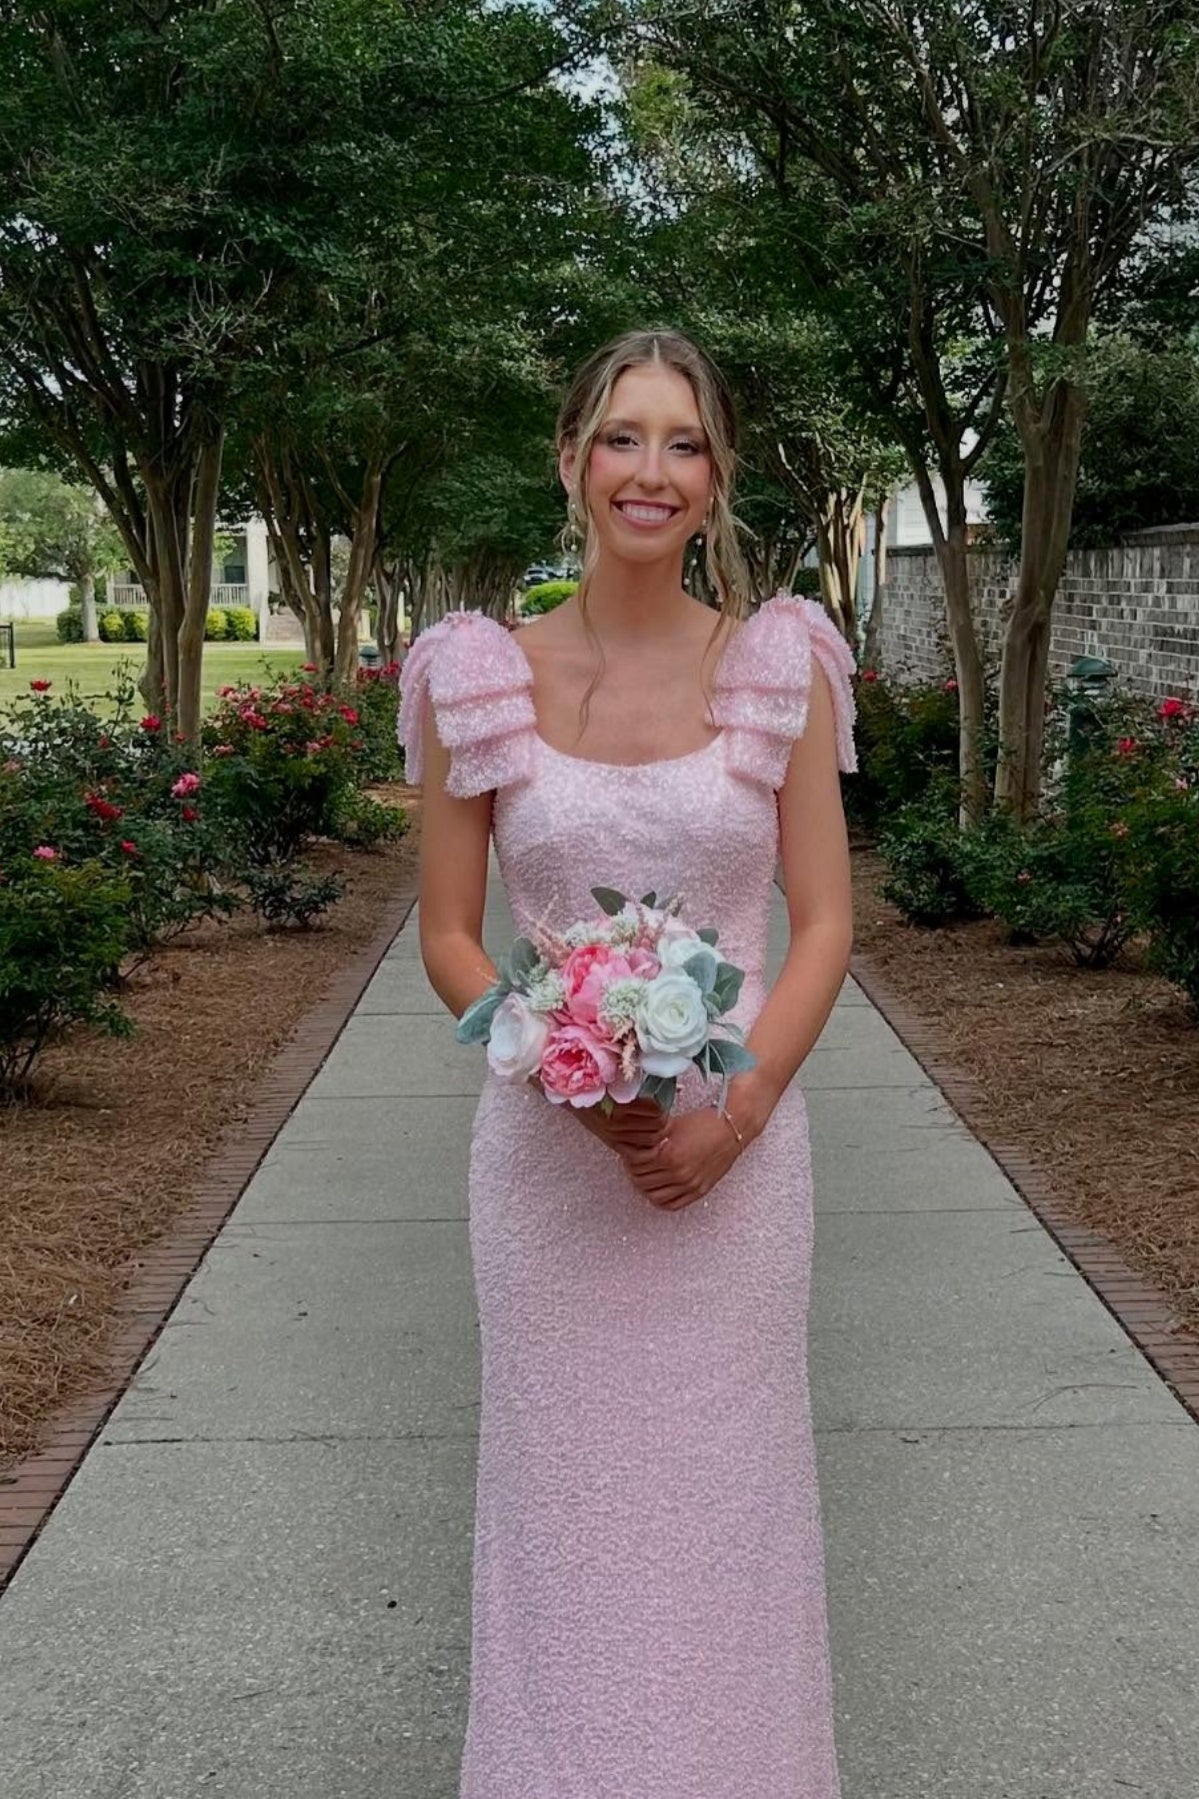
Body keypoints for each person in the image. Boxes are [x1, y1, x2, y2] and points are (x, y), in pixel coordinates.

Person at [397, 326, 857, 1799]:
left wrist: (738, 1109)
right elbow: (453, 940)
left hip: (735, 1166)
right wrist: (567, 1070)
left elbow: (825, 923)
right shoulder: (480, 675)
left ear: (718, 478)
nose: (649, 471)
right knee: (565, 1519)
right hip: (549, 1176)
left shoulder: (780, 665)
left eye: (683, 442)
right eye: (621, 436)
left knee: (728, 1516)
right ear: (570, 460)